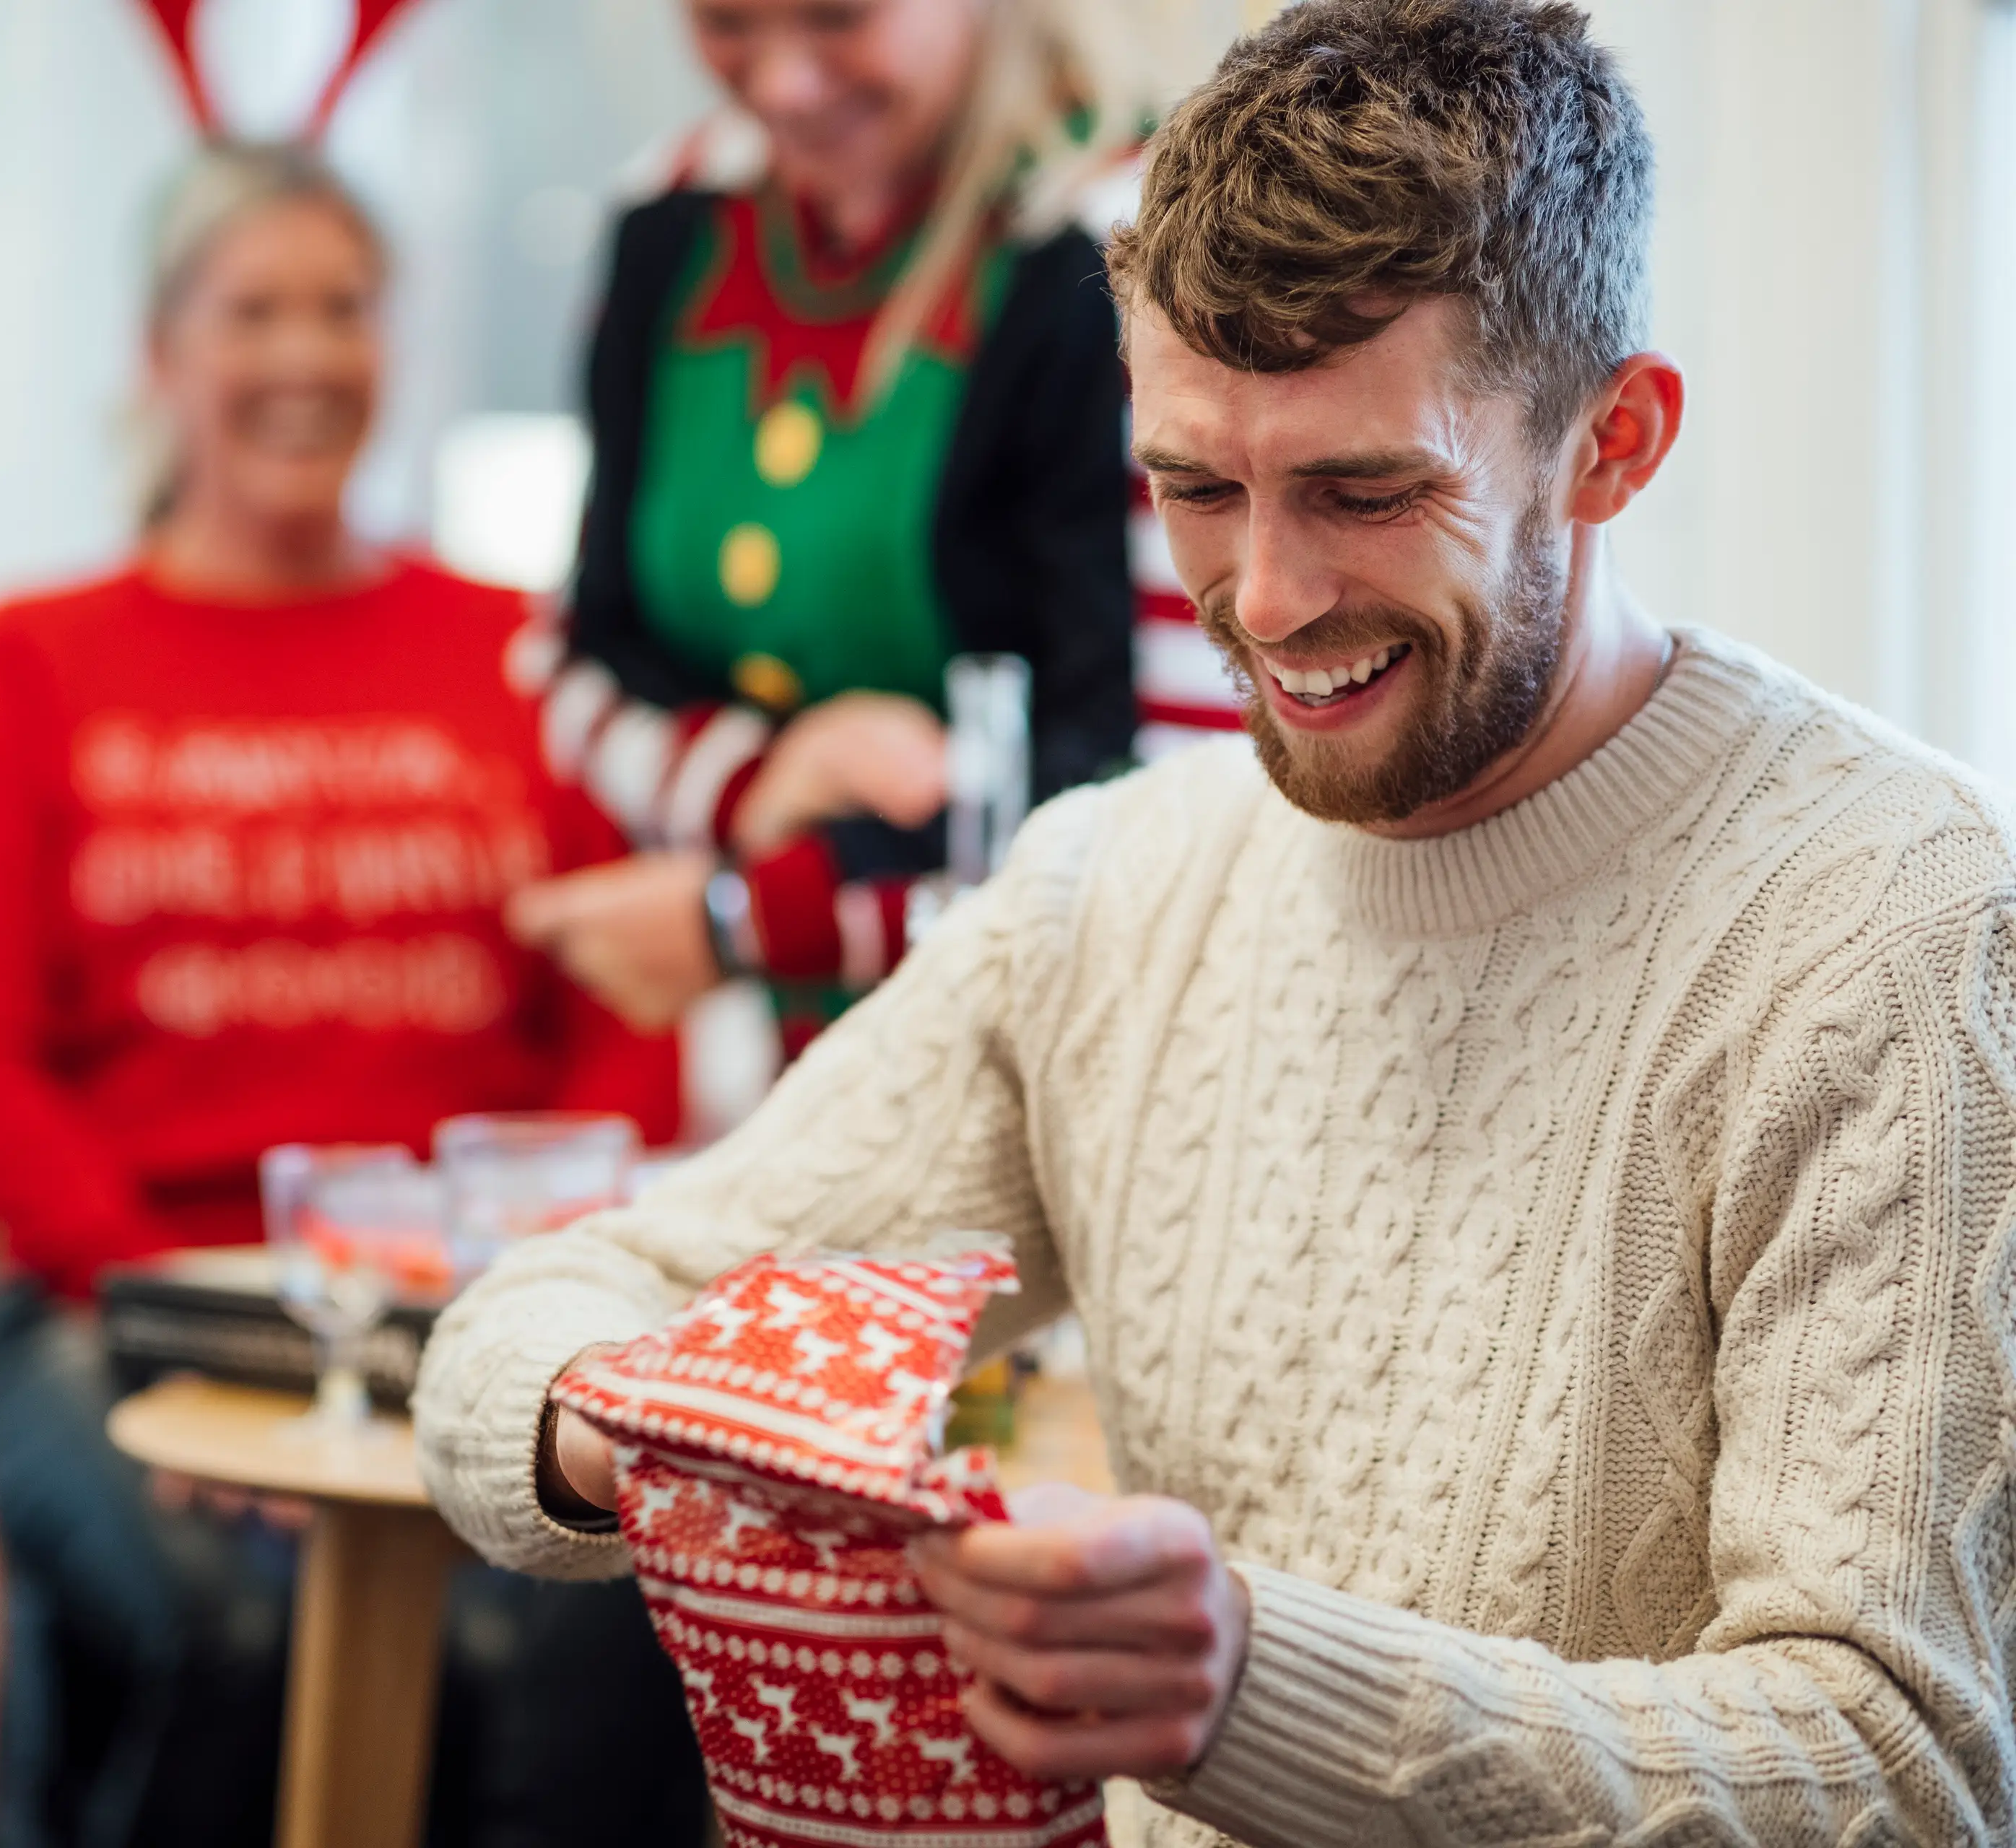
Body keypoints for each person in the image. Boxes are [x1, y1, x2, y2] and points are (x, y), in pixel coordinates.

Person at [418, 4, 2016, 1846]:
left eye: (1366, 491)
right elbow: (527, 1327)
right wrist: (653, 1426)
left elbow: (1899, 1771)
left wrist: (1254, 1690)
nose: (1263, 599)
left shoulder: (1896, 926)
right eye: (1194, 487)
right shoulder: (1119, 892)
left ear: (1616, 442)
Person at [0, 144, 700, 1847]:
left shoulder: (519, 649)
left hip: (478, 1306)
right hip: (125, 1307)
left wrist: (530, 1275)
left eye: (343, 307)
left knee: (591, 1620)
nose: (305, 354)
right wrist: (195, 1328)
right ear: (161, 354)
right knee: (248, 1624)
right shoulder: (26, 661)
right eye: (251, 308)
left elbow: (622, 1014)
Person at [503, 0, 1166, 1045]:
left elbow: (1170, 807)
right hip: (755, 1078)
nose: (781, 86)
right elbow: (574, 667)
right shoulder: (673, 213)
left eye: (838, 18)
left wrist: (766, 916)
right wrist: (766, 783)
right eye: (726, 23)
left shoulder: (1134, 238)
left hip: (1062, 1050)